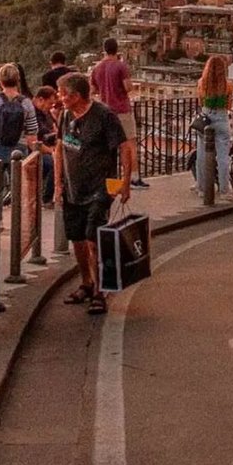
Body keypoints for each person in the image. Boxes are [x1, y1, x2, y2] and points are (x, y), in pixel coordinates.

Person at [55, 71, 133, 316]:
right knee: (77, 238)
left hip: (100, 187)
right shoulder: (66, 116)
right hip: (73, 187)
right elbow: (59, 147)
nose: (60, 98)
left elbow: (124, 147)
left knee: (93, 238)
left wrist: (125, 182)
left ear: (77, 95)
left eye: (63, 94)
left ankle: (100, 291)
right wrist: (58, 183)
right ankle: (86, 283)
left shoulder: (104, 116)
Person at [90, 37, 149, 189]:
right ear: (117, 50)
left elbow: (94, 90)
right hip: (122, 109)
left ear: (104, 50)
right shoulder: (121, 66)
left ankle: (109, 178)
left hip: (105, 110)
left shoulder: (97, 68)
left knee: (109, 146)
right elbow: (128, 87)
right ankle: (133, 178)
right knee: (129, 144)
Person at [0, 63, 38, 185]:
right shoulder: (26, 102)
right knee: (17, 186)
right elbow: (32, 129)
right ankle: (14, 203)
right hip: (18, 148)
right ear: (18, 80)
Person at [194, 55, 233, 199]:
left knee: (201, 155)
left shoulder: (201, 83)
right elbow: (229, 105)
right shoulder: (228, 85)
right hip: (222, 119)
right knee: (223, 157)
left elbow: (201, 102)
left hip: (206, 120)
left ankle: (202, 188)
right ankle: (224, 190)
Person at [31, 85, 59, 206]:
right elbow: (33, 142)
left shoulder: (45, 114)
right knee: (55, 162)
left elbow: (55, 129)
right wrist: (51, 151)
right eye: (49, 104)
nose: (50, 107)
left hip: (48, 146)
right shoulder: (32, 114)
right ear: (40, 99)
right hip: (35, 150)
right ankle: (46, 198)